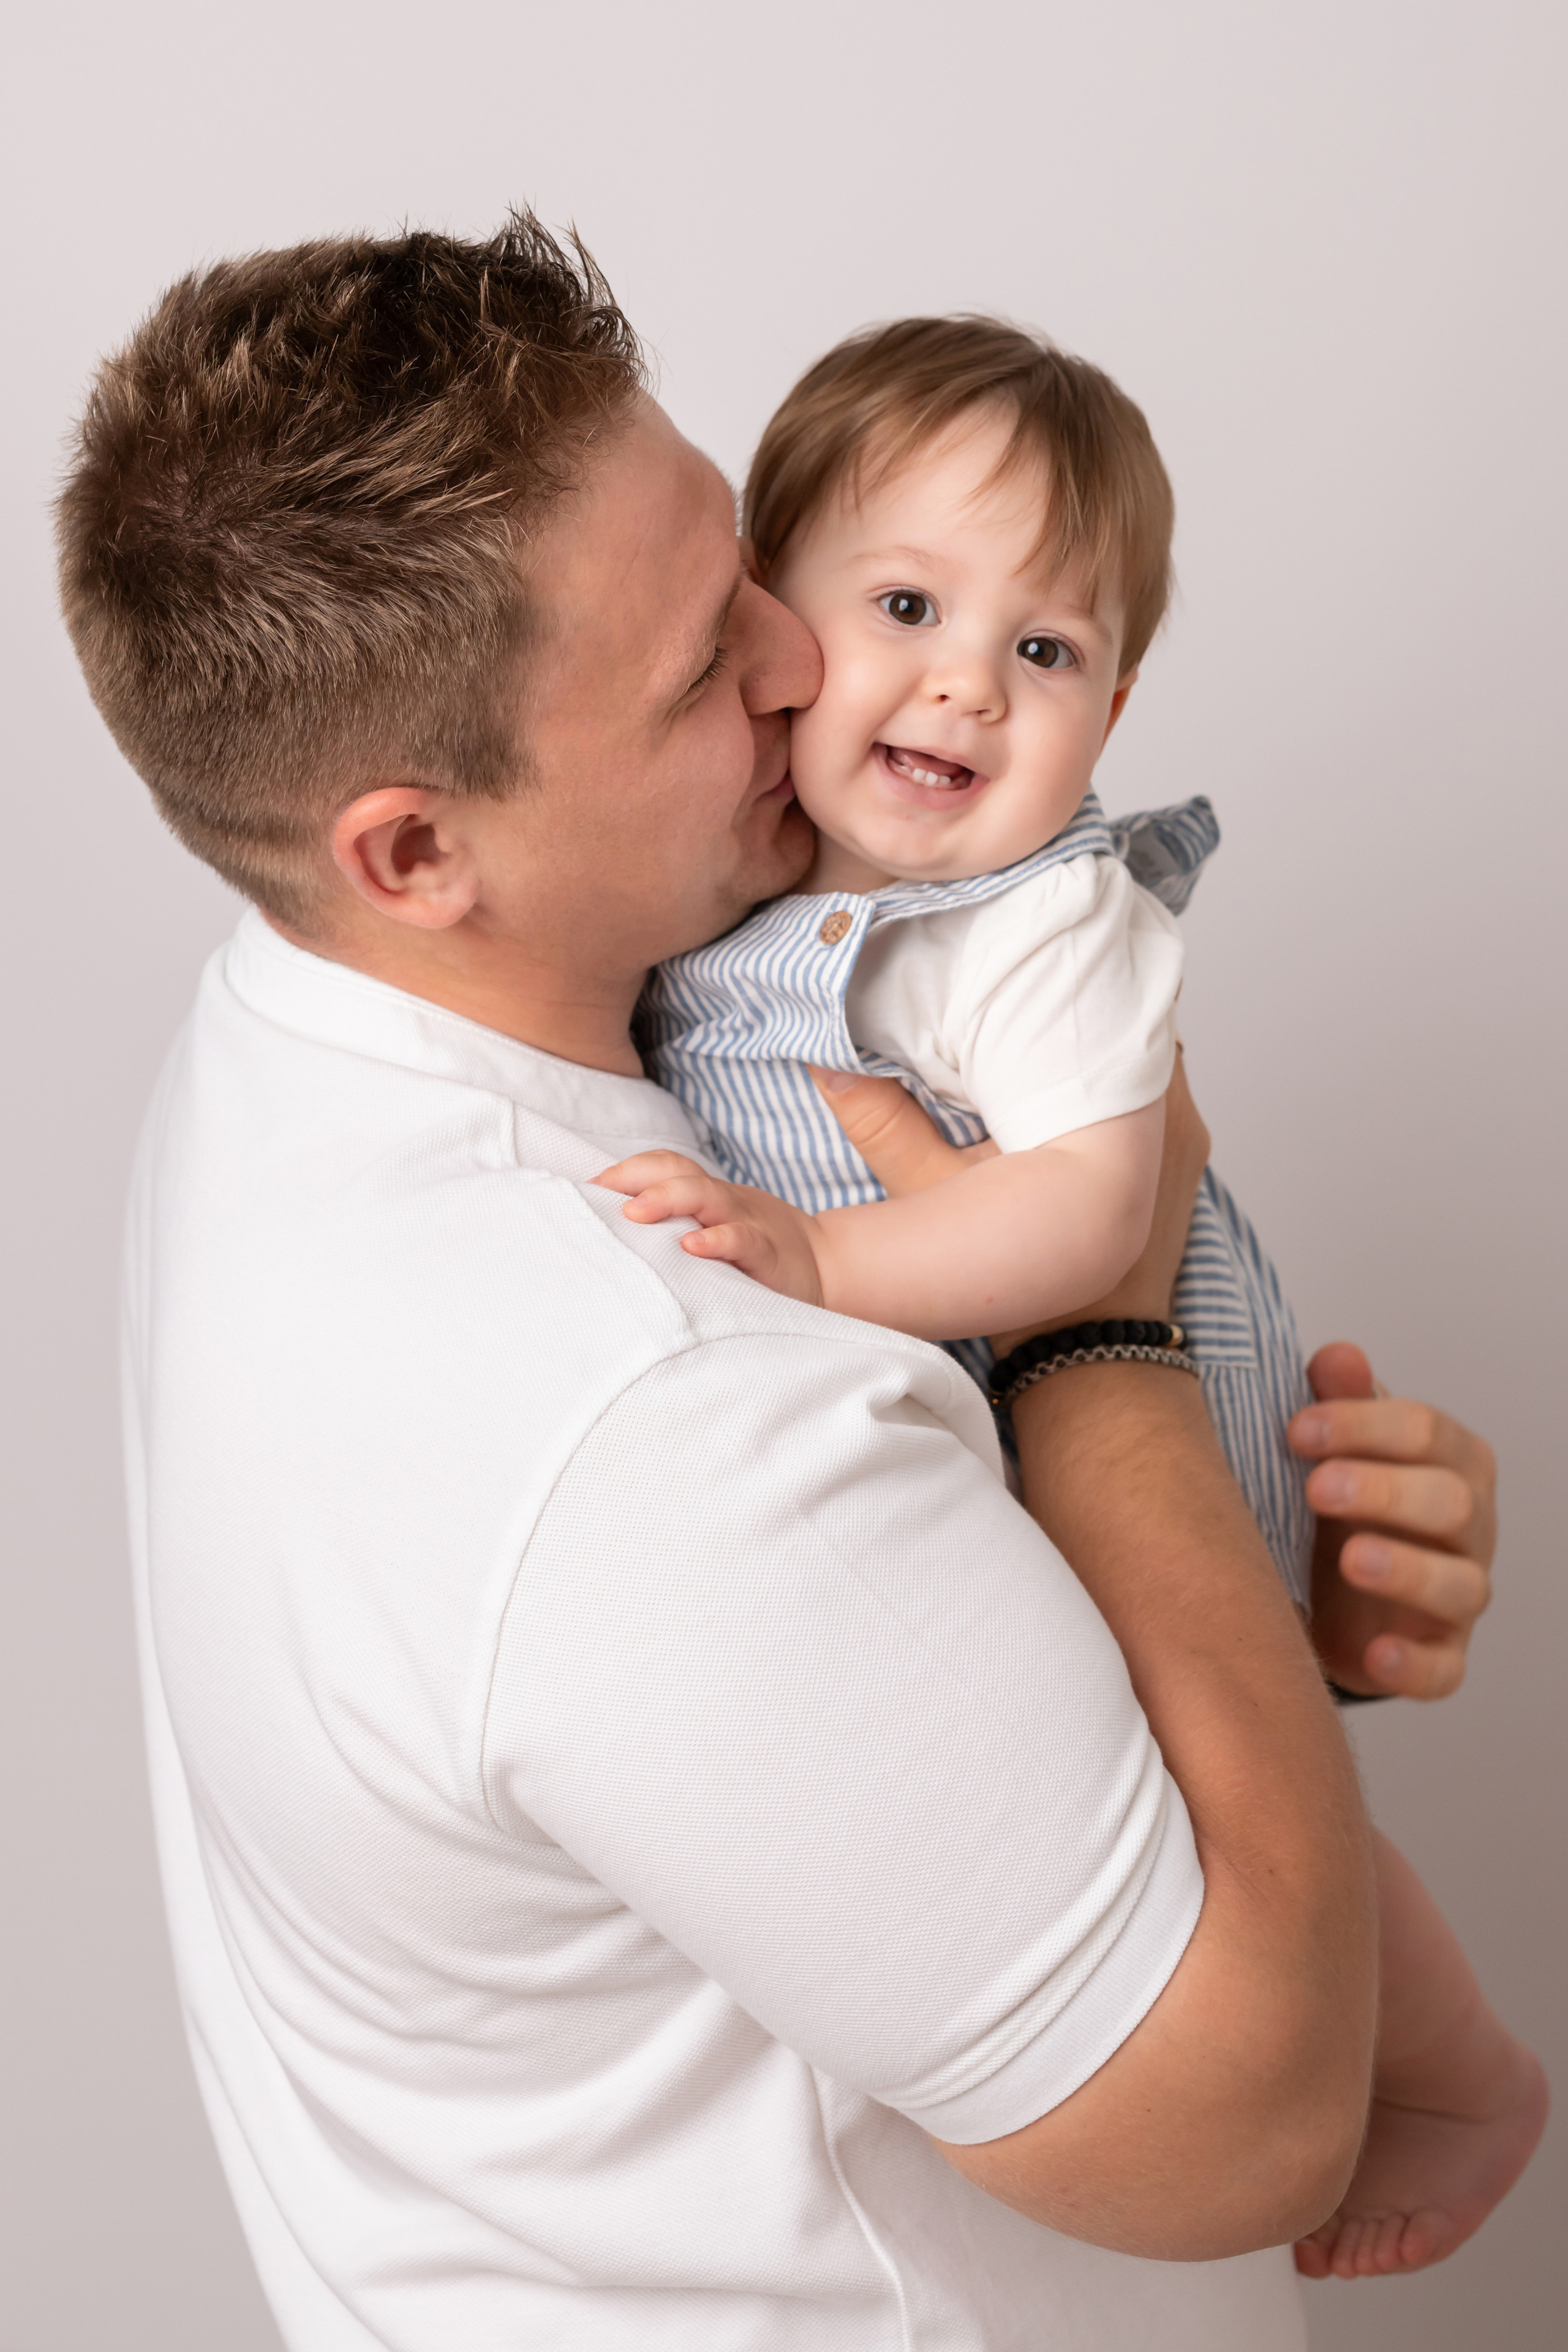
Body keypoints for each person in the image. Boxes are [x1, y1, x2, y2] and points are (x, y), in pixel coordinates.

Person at [56, 215, 1499, 2348]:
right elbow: (1257, 2133)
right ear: (414, 849)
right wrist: (1104, 1329)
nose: (804, 664)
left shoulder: (308, 1031)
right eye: (694, 672)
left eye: (746, 567)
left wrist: (1279, 1626)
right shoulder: (642, 1399)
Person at [609, 318, 1548, 2278]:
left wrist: (829, 1260)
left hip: (1144, 1420)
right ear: (778, 625)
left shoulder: (1038, 920)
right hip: (1012, 1422)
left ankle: (1457, 2076)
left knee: (1224, 1790)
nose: (967, 678)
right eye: (906, 602)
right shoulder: (748, 906)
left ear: (1111, 707)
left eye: (1045, 651)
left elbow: (1094, 1214)